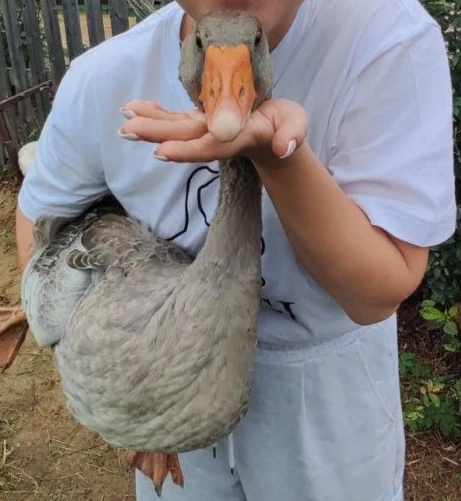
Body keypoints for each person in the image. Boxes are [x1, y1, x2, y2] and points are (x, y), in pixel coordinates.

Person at [16, 0, 455, 500]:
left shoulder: (387, 39)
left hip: (324, 397)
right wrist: (113, 376)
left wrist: (276, 159)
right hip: (165, 382)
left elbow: (378, 293)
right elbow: (42, 214)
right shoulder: (104, 76)